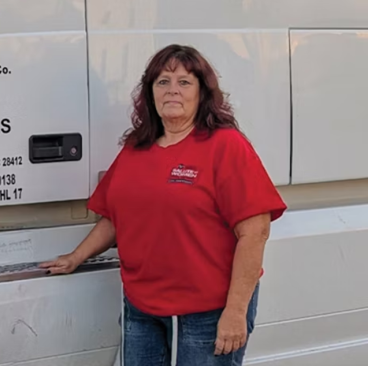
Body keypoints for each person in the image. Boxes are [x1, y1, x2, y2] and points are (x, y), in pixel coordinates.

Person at [39, 44, 287, 365]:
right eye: (163, 82)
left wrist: (236, 312)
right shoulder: (136, 147)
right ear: (150, 92)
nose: (172, 90)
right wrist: (76, 257)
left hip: (207, 311)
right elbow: (116, 218)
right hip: (141, 307)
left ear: (203, 92)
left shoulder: (226, 145)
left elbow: (255, 232)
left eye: (184, 82)